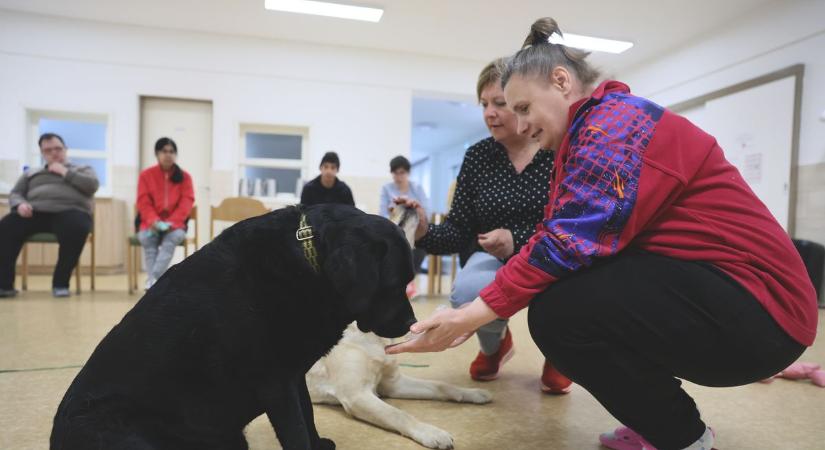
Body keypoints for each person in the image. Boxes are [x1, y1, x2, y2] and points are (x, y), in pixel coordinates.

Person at [387, 18, 818, 450]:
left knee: (560, 313)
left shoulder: (613, 126)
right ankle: (657, 422)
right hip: (732, 298)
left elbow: (565, 242)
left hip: (762, 311)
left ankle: (682, 437)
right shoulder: (582, 135)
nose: (519, 124)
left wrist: (470, 315)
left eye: (523, 108)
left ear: (561, 81)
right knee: (565, 300)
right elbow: (558, 234)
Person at [402, 58, 572, 393]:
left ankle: (559, 355)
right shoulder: (478, 156)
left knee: (565, 292)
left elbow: (571, 224)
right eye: (483, 104)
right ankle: (495, 347)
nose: (489, 113)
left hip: (550, 255)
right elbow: (458, 230)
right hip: (490, 257)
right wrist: (422, 230)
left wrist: (516, 239)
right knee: (467, 291)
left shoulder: (556, 149)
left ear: (522, 102)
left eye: (499, 103)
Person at [0, 133, 99, 298]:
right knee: (6, 226)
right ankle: (4, 285)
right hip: (35, 212)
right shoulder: (31, 173)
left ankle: (60, 283)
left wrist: (65, 172)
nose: (54, 153)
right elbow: (15, 193)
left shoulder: (82, 169)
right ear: (42, 153)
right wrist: (20, 204)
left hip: (71, 211)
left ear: (65, 149)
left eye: (58, 149)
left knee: (77, 226)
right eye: (48, 150)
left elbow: (92, 186)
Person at [136, 137, 194, 290]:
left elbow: (187, 202)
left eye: (172, 151)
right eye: (164, 151)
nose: (168, 154)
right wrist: (154, 221)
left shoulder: (185, 177)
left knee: (171, 240)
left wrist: (171, 223)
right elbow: (143, 201)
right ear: (157, 153)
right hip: (150, 224)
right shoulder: (146, 175)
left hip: (176, 225)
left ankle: (153, 279)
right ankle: (154, 282)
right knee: (148, 241)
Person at [380, 155, 428, 277]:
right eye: (395, 173)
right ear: (392, 173)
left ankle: (410, 278)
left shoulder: (417, 188)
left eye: (402, 173)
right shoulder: (386, 189)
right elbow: (383, 214)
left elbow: (426, 211)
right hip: (395, 231)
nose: (399, 177)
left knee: (418, 248)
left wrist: (412, 208)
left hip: (415, 232)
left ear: (408, 173)